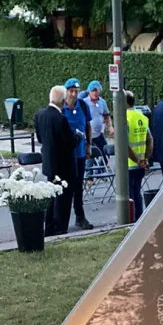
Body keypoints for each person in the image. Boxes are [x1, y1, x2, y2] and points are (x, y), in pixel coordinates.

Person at [35, 85, 76, 236]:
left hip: (49, 161)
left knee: (51, 194)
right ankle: (60, 226)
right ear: (63, 101)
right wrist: (78, 137)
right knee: (63, 196)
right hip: (63, 163)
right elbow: (69, 142)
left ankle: (49, 224)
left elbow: (39, 137)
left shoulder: (40, 114)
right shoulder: (60, 118)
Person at [62, 78, 94, 230]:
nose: (74, 94)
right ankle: (62, 220)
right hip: (66, 153)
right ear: (66, 91)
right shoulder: (61, 107)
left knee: (78, 186)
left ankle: (80, 217)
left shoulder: (83, 105)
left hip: (80, 152)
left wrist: (89, 145)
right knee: (65, 186)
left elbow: (88, 126)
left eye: (76, 91)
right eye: (71, 91)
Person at [125, 91, 153, 220]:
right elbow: (149, 139)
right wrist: (145, 158)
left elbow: (124, 145)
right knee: (137, 192)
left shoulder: (124, 118)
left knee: (129, 195)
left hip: (129, 163)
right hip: (141, 162)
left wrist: (137, 160)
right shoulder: (141, 116)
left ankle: (131, 220)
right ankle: (140, 218)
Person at [82, 80, 113, 156]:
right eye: (93, 90)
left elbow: (106, 116)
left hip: (99, 134)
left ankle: (101, 167)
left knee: (106, 152)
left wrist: (110, 126)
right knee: (90, 156)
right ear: (89, 91)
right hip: (87, 135)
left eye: (97, 90)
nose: (95, 93)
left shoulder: (102, 102)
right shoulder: (84, 102)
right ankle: (89, 168)